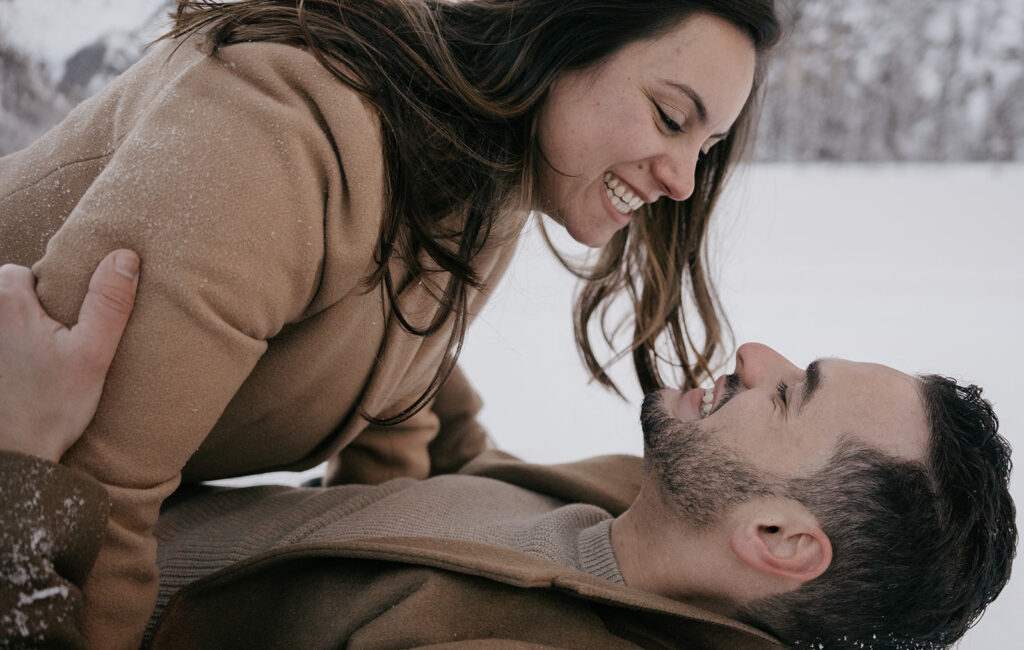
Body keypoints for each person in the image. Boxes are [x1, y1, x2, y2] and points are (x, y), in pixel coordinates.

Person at [0, 1, 783, 644]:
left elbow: (396, 399)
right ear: (558, 35)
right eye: (670, 116)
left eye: (707, 147)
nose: (684, 181)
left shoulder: (484, 183)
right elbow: (99, 501)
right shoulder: (281, 135)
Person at [1, 258, 1015, 649]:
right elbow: (458, 480)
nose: (756, 355)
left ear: (781, 537)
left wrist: (22, 466)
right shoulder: (632, 513)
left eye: (792, 392)